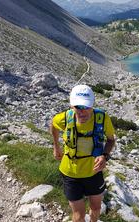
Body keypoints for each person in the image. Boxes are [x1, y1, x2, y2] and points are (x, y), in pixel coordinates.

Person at [50, 84, 116, 222]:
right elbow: (53, 125)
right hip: (70, 174)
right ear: (72, 106)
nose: (82, 112)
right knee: (78, 216)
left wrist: (105, 156)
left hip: (93, 172)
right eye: (78, 107)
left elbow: (110, 140)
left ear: (92, 105)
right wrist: (56, 147)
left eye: (86, 107)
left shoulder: (102, 118)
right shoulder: (65, 118)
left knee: (96, 208)